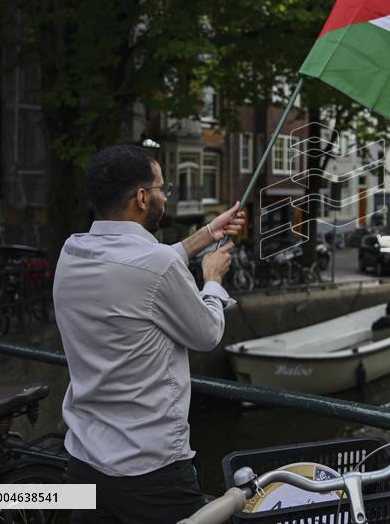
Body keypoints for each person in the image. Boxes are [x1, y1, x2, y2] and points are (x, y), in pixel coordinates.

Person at [55, 144, 245, 523]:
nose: (164, 196)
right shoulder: (153, 266)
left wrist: (205, 235)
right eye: (162, 188)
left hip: (85, 461)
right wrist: (212, 280)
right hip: (149, 471)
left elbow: (138, 267)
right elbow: (207, 333)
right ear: (142, 198)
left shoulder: (72, 251)